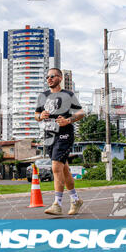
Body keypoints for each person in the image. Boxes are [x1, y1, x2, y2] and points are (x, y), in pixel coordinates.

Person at [35, 68, 85, 216]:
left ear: (60, 78)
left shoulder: (68, 95)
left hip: (65, 134)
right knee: (64, 169)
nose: (49, 79)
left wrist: (68, 120)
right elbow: (36, 114)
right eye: (47, 77)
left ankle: (57, 204)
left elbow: (81, 112)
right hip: (49, 136)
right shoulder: (43, 96)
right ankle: (76, 200)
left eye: (52, 76)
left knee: (56, 166)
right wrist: (40, 116)